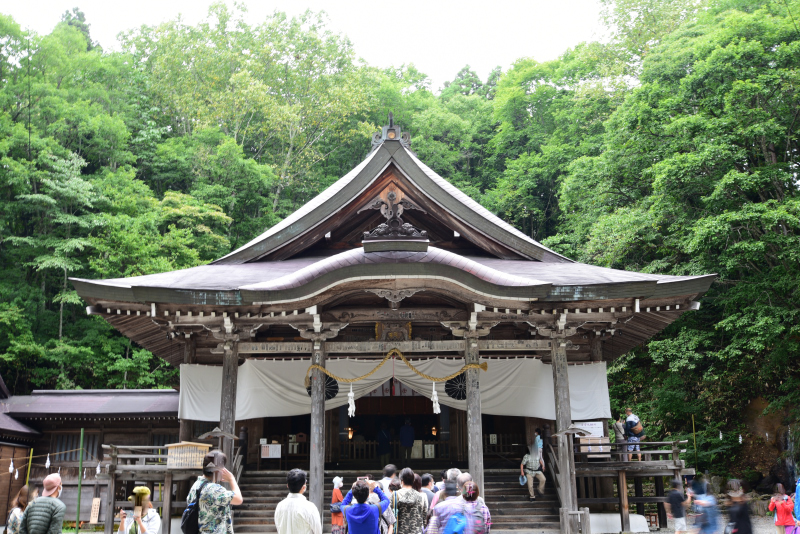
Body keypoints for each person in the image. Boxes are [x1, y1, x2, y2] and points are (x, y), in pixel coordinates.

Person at [187, 451, 244, 534]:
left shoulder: (196, 485)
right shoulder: (214, 490)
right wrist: (232, 479)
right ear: (218, 470)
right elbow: (238, 499)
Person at [274, 468, 321, 534]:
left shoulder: (279, 506)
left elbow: (279, 528)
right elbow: (318, 531)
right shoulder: (310, 507)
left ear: (287, 485)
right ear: (303, 487)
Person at [390, 468, 428, 534]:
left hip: (400, 531)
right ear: (413, 480)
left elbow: (390, 516)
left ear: (401, 480)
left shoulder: (395, 495)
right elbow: (424, 518)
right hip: (417, 531)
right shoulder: (421, 496)